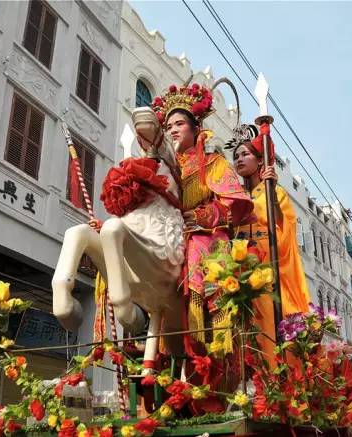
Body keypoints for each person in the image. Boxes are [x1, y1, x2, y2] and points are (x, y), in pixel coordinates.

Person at [151, 84, 253, 410]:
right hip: (172, 239)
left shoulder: (213, 163)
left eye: (179, 124)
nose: (172, 130)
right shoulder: (165, 167)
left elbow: (233, 204)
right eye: (168, 126)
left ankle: (214, 370)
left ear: (196, 128)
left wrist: (201, 215)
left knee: (199, 258)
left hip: (206, 240)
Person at [230, 124, 310, 362]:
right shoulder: (235, 197)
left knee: (275, 321)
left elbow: (284, 228)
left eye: (245, 154)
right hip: (240, 271)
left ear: (259, 160)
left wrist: (272, 190)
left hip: (269, 268)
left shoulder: (274, 192)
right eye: (236, 156)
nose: (239, 159)